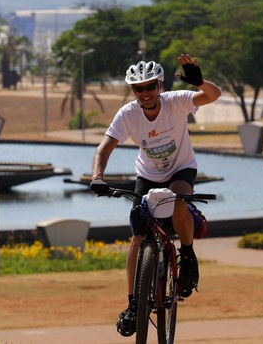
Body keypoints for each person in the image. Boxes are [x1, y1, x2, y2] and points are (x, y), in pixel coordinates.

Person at [89, 53, 221, 337]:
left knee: (178, 204)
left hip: (181, 170)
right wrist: (97, 177)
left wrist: (200, 82)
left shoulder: (175, 101)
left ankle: (187, 256)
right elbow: (104, 148)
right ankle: (133, 303)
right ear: (133, 91)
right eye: (139, 89)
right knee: (138, 237)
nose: (145, 93)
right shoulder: (127, 114)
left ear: (160, 85)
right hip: (147, 175)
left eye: (150, 86)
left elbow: (213, 95)